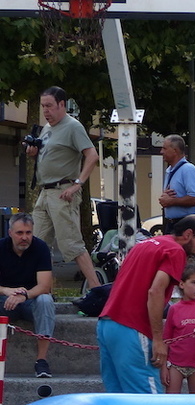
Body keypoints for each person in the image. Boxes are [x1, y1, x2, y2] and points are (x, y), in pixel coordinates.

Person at [97, 214, 195, 393]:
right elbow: (155, 291)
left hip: (107, 324)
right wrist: (158, 340)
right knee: (148, 400)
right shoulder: (175, 251)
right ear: (188, 234)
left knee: (118, 397)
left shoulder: (146, 244)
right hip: (133, 328)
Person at [26, 86, 101, 289]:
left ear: (62, 104)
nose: (46, 111)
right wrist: (34, 155)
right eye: (43, 106)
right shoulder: (48, 128)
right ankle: (44, 291)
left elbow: (92, 155)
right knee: (37, 244)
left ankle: (96, 289)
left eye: (49, 106)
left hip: (62, 192)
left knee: (71, 244)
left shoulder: (73, 126)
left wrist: (78, 184)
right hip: (45, 192)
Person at [0, 213, 56, 378]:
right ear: (10, 232)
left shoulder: (41, 248)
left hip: (31, 302)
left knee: (45, 300)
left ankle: (41, 361)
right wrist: (6, 291)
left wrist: (24, 295)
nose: (24, 237)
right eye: (19, 233)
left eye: (28, 233)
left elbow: (45, 286)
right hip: (4, 301)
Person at [162, 262, 195, 393]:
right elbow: (166, 339)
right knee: (171, 399)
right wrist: (163, 368)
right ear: (181, 284)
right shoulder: (174, 309)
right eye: (194, 282)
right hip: (175, 364)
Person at [157, 134, 195, 233]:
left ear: (175, 151)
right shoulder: (170, 170)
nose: (161, 152)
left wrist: (171, 201)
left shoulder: (188, 169)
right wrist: (164, 199)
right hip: (172, 224)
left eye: (164, 148)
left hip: (186, 224)